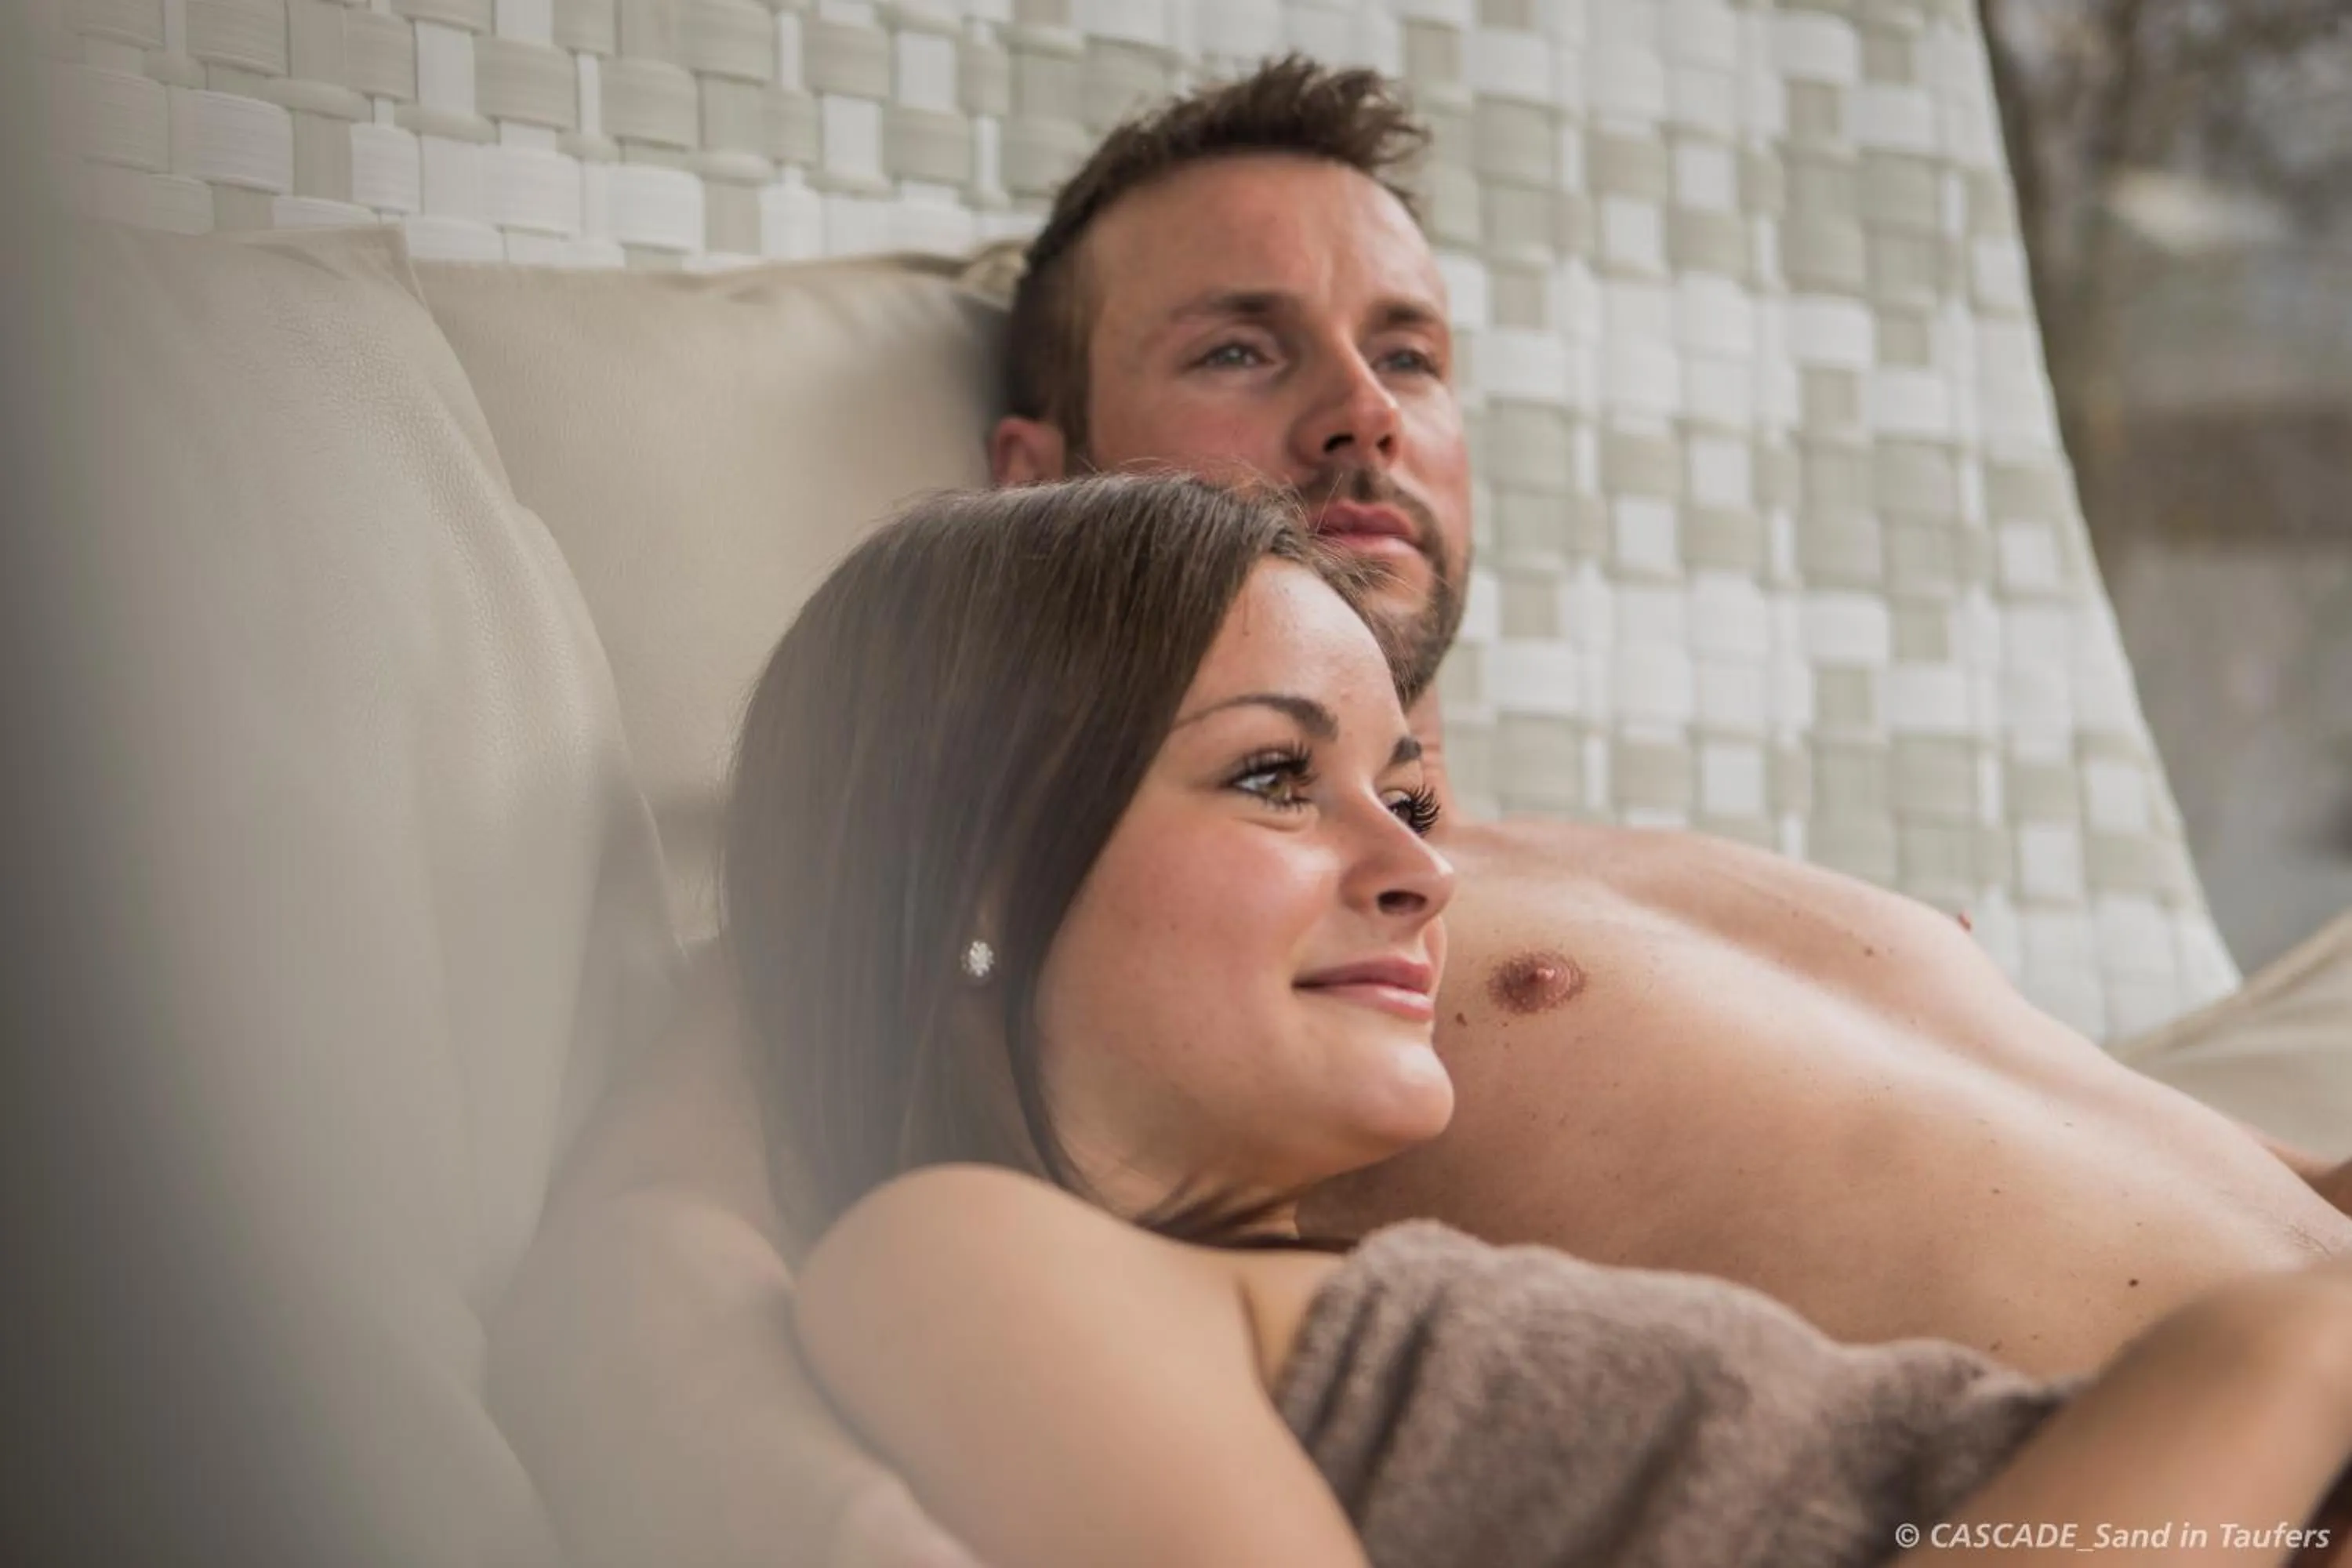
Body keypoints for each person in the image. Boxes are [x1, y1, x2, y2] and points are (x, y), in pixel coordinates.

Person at [486, 58, 2352, 1568]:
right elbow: (644, 1288)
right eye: (1241, 347)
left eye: (1412, 352)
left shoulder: (1639, 866)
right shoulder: (1049, 920)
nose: (1360, 414)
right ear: (1027, 479)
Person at [753, 472, 2352, 1568]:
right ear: (968, 857)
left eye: (1402, 793)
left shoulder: (1321, 1288)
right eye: (1269, 775)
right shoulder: (955, 1260)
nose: (1419, 873)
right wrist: (2285, 1355)